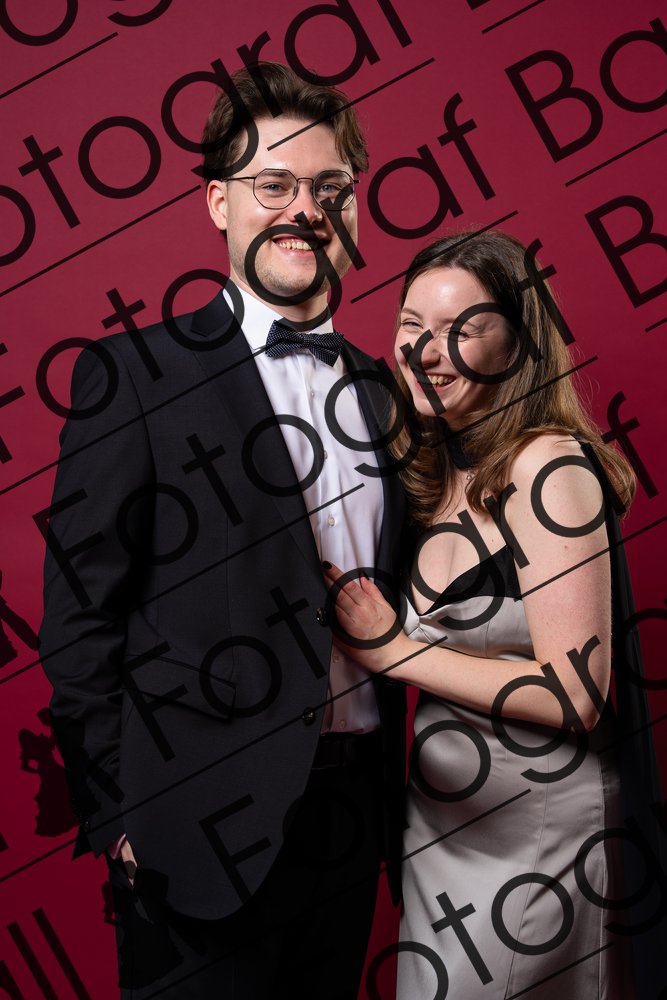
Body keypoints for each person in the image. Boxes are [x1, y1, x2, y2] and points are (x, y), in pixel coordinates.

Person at [39, 62, 406, 999]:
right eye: (273, 185)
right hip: (194, 825)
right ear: (218, 203)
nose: (304, 210)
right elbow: (80, 618)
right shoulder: (135, 376)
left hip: (352, 815)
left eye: (329, 188)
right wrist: (120, 818)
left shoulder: (386, 390)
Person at [324, 229, 666, 998]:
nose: (426, 352)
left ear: (517, 342)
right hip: (440, 833)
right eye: (411, 326)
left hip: (537, 835)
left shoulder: (548, 465)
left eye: (460, 329)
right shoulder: (428, 469)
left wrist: (393, 651)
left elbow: (575, 694)